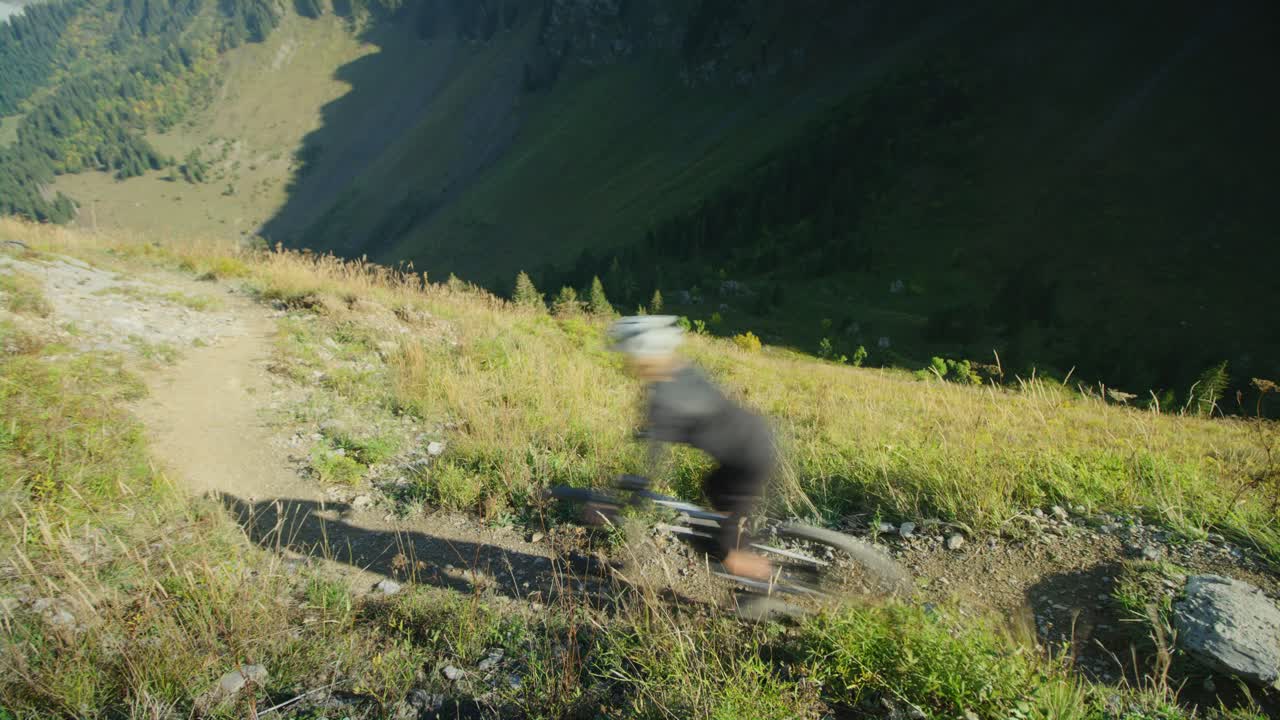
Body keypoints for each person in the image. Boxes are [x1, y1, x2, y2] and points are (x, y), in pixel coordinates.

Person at [608, 315, 774, 580]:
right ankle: (739, 543)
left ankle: (767, 580)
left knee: (718, 546)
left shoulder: (666, 396)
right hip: (750, 443)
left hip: (747, 461)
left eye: (631, 356)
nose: (629, 364)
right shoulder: (680, 371)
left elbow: (657, 455)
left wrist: (633, 489)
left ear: (646, 354)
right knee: (712, 500)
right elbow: (686, 414)